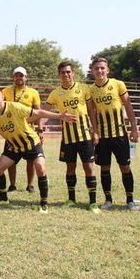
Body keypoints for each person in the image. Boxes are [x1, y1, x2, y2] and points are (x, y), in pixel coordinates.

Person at [0, 87, 76, 212]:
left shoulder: (15, 107)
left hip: (31, 143)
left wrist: (60, 116)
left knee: (40, 168)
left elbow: (38, 113)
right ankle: (3, 199)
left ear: (2, 97)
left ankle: (44, 203)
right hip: (14, 147)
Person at [45, 62, 99, 213]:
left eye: (68, 72)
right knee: (70, 168)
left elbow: (91, 111)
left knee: (89, 167)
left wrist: (95, 131)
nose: (66, 75)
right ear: (59, 75)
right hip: (67, 138)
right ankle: (71, 199)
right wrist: (43, 124)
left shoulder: (84, 88)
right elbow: (44, 111)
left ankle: (93, 202)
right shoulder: (56, 93)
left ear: (73, 73)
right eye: (62, 72)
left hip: (85, 136)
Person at [89, 57, 139, 211]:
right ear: (92, 71)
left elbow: (128, 106)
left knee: (125, 167)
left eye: (102, 68)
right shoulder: (90, 90)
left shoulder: (118, 84)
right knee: (104, 168)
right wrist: (95, 132)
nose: (100, 71)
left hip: (120, 135)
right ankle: (108, 199)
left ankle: (130, 200)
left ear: (108, 70)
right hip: (102, 137)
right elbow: (92, 113)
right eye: (96, 68)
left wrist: (134, 128)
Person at [2, 66, 42, 193]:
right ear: (13, 77)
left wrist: (40, 130)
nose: (19, 78)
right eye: (16, 75)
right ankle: (12, 185)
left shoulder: (33, 92)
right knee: (11, 160)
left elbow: (38, 112)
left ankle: (30, 185)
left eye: (21, 75)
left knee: (30, 160)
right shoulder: (5, 91)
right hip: (11, 133)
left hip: (28, 132)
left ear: (26, 77)